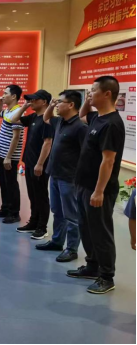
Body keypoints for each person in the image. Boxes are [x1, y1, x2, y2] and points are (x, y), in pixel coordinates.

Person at [68, 76, 126, 295]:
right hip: (83, 184)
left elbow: (108, 160)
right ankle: (92, 266)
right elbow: (82, 115)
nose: (89, 94)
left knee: (101, 232)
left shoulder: (112, 124)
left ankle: (106, 276)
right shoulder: (97, 117)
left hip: (98, 189)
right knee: (86, 228)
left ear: (107, 94)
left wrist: (99, 191)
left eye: (93, 90)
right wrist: (89, 99)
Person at [38, 91, 87, 262]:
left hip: (69, 177)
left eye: (60, 102)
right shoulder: (60, 121)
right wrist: (51, 105)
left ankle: (72, 249)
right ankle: (57, 241)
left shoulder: (80, 127)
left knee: (71, 215)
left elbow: (86, 154)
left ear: (71, 105)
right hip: (55, 174)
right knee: (57, 211)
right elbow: (46, 118)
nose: (57, 105)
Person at [12, 90, 54, 240]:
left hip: (39, 164)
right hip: (29, 161)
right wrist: (24, 107)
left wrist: (40, 164)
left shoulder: (48, 119)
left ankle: (42, 227)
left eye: (34, 100)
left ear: (44, 102)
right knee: (32, 194)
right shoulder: (33, 117)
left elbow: (47, 143)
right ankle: (33, 222)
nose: (31, 102)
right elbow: (13, 120)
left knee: (41, 195)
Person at [0, 85, 25, 224]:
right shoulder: (8, 110)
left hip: (9, 156)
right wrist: (0, 102)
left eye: (5, 93)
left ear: (14, 96)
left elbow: (16, 138)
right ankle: (5, 208)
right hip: (1, 153)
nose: (3, 95)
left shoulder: (18, 113)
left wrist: (8, 157)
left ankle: (14, 213)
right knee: (3, 182)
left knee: (11, 184)